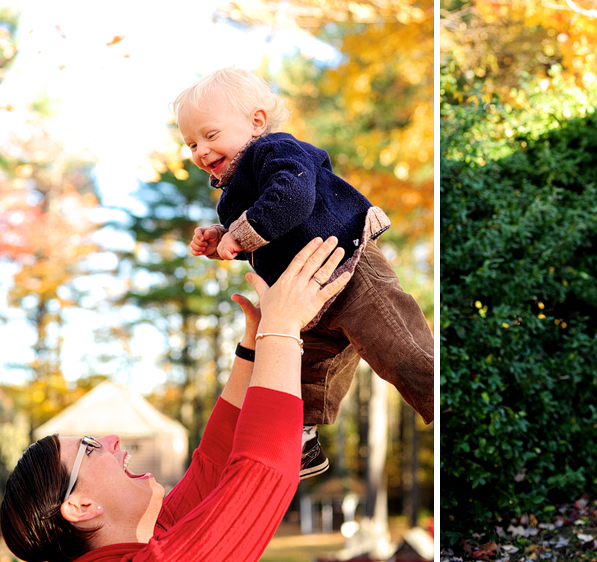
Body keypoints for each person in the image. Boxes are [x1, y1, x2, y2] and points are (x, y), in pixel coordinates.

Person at [0, 236, 351, 562]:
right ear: (81, 506)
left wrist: (255, 344)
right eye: (91, 447)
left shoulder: (145, 539)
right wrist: (282, 326)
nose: (110, 439)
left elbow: (214, 463)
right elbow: (263, 472)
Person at [173, 67, 435, 479]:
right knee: (303, 372)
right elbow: (269, 238)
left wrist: (239, 234)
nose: (200, 150)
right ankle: (302, 443)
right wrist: (221, 238)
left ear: (256, 122)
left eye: (209, 135)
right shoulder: (231, 196)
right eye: (190, 143)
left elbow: (292, 197)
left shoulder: (276, 151)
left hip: (348, 268)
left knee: (399, 348)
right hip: (305, 296)